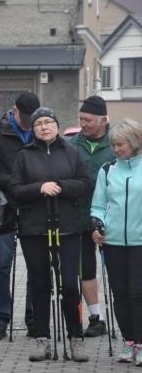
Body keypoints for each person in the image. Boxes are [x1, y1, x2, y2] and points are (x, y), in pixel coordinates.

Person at [9, 107, 92, 363]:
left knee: (69, 283)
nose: (44, 127)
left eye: (48, 122)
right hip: (34, 229)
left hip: (67, 228)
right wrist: (40, 188)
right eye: (38, 124)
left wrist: (60, 187)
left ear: (57, 125)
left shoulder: (71, 153)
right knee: (40, 284)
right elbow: (14, 189)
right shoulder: (24, 156)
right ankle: (42, 339)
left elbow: (85, 184)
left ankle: (75, 338)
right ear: (32, 129)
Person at [0, 91, 39, 340]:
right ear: (14, 110)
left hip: (33, 205)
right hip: (4, 205)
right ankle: (0, 317)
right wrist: (9, 182)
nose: (30, 123)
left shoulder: (40, 129)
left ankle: (34, 317)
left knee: (35, 265)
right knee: (2, 264)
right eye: (25, 118)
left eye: (33, 119)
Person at [90, 118, 142, 365]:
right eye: (113, 145)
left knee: (138, 292)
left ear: (134, 142)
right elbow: (98, 205)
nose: (117, 149)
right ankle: (129, 341)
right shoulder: (107, 170)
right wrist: (97, 224)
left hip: (140, 242)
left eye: (121, 144)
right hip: (113, 243)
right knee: (120, 293)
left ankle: (141, 343)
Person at [67, 95, 114, 337]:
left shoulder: (118, 142)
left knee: (118, 271)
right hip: (79, 219)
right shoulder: (71, 145)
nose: (83, 124)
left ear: (104, 120)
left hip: (113, 222)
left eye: (88, 120)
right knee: (85, 270)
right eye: (81, 119)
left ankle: (129, 316)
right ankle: (97, 318)